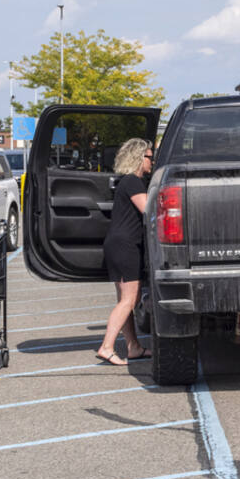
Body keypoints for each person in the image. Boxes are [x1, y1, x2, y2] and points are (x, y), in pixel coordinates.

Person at [96, 137, 153, 366]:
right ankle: (107, 347)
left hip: (118, 245)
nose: (152, 161)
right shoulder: (133, 182)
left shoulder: (126, 182)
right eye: (149, 157)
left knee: (126, 300)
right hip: (126, 246)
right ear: (139, 158)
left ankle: (134, 347)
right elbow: (148, 210)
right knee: (129, 300)